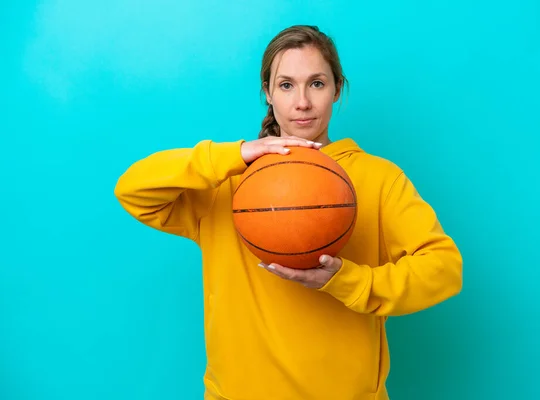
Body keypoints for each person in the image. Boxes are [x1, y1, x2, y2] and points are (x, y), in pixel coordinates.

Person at [114, 25, 462, 400]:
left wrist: (346, 281)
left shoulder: (378, 178)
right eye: (285, 85)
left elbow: (443, 269)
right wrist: (236, 154)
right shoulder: (226, 182)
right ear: (267, 92)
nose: (302, 102)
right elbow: (134, 189)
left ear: (337, 90)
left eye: (316, 83)